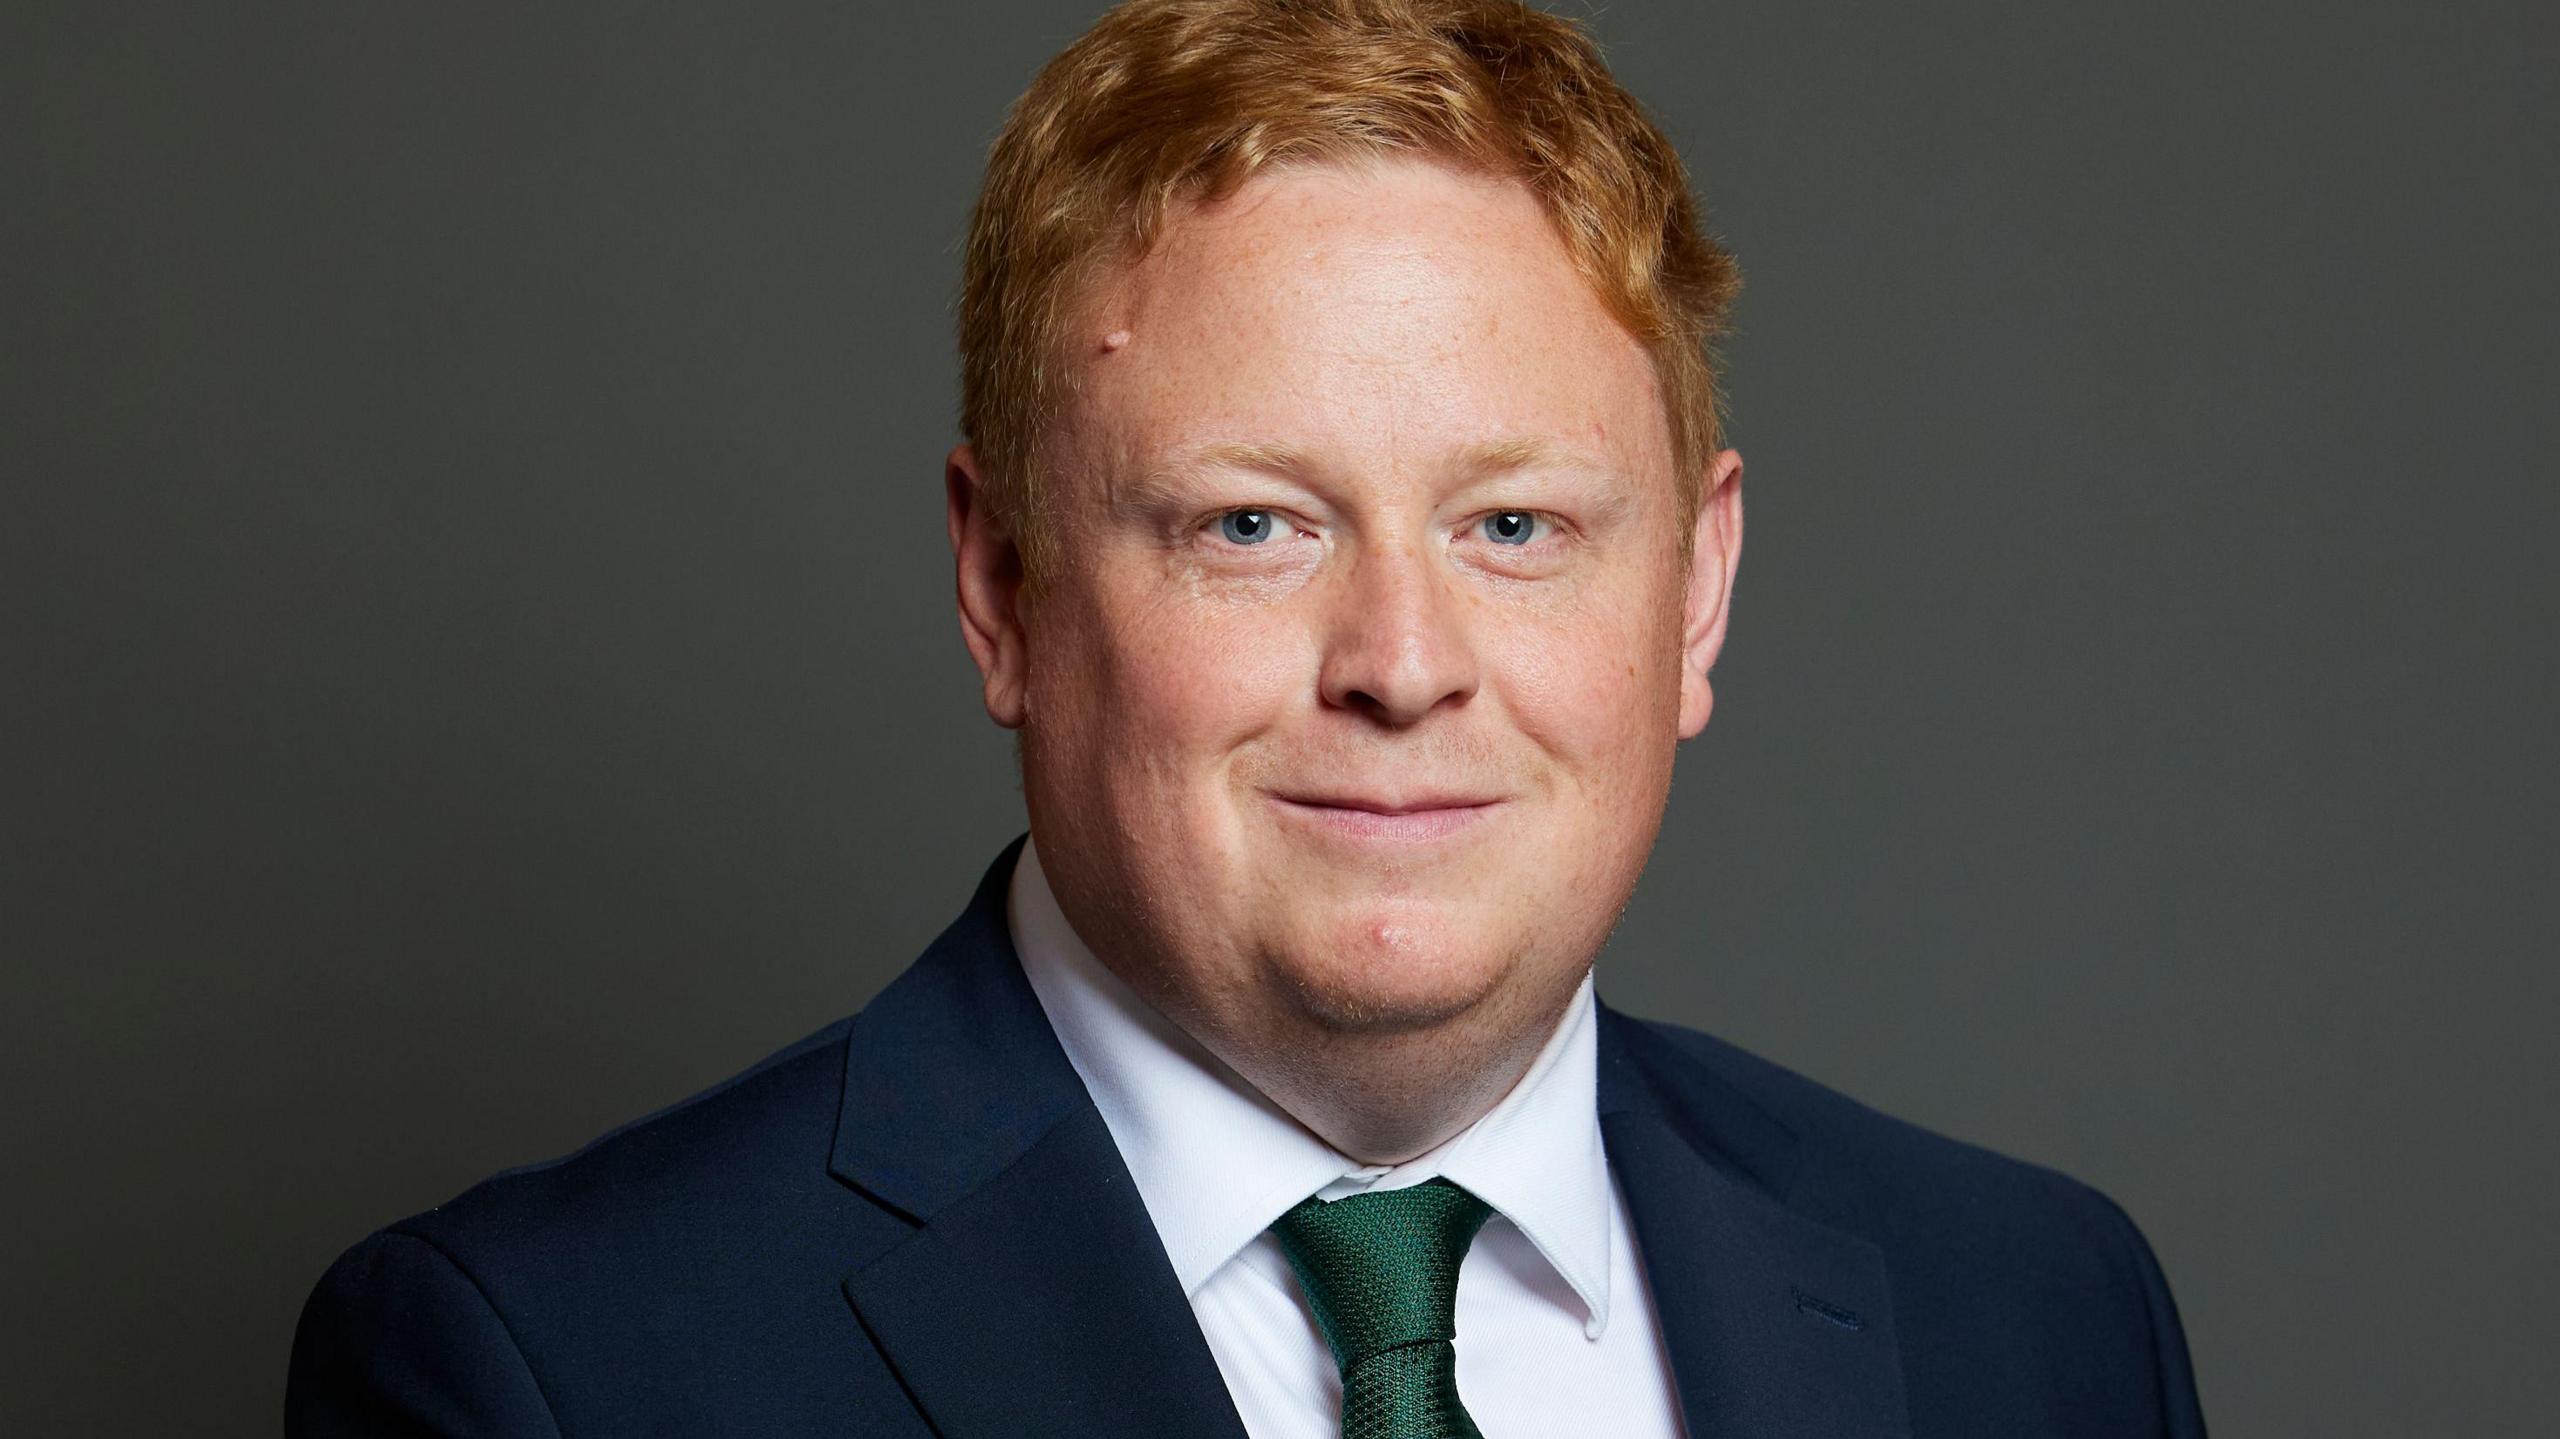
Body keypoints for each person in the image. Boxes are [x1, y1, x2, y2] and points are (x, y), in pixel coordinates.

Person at [287, 1, 2208, 1434]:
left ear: (1695, 592)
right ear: (1006, 585)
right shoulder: (551, 1373)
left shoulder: (2032, 1319)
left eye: (1516, 523)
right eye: (1253, 525)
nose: (1402, 658)